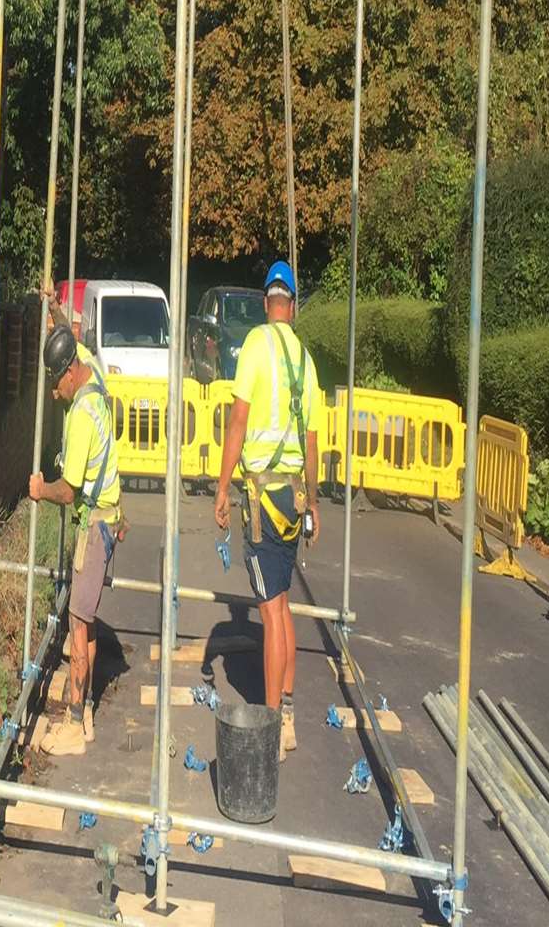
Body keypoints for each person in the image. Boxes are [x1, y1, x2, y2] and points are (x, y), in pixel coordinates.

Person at [213, 260, 320, 759]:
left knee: (271, 609)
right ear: (293, 306)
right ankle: (291, 712)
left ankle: (273, 723)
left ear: (266, 302)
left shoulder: (256, 345)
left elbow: (238, 422)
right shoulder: (305, 359)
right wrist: (314, 501)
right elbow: (314, 440)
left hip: (261, 495)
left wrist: (220, 488)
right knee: (284, 603)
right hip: (294, 495)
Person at [28, 303, 122, 757]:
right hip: (110, 517)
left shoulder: (83, 416)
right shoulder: (94, 371)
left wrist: (40, 488)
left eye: (56, 384)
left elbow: (70, 490)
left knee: (78, 623)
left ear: (69, 373)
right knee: (85, 618)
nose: (55, 394)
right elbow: (69, 332)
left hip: (94, 524)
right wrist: (55, 310)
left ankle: (73, 723)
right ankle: (82, 715)